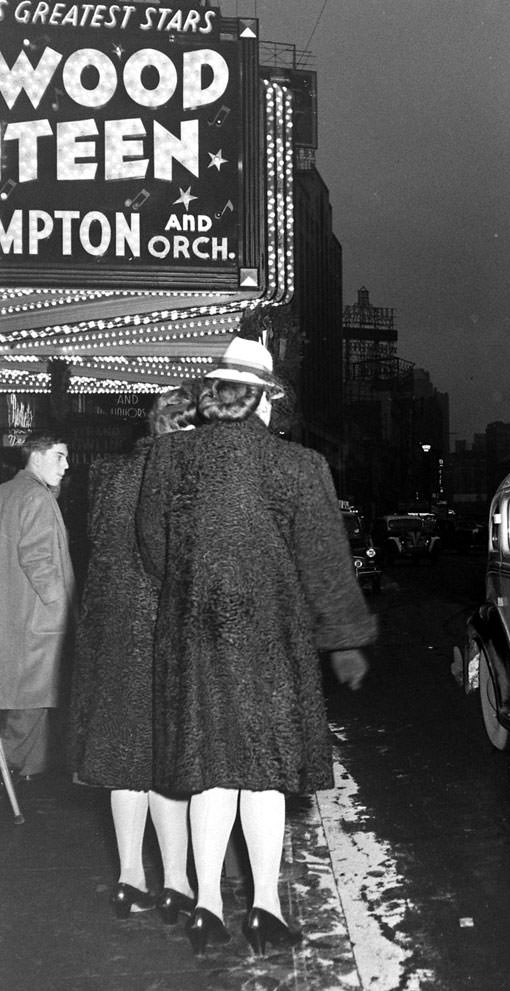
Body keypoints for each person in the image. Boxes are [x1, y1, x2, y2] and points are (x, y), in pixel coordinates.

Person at [136, 337, 377, 958]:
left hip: (194, 640)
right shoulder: (299, 467)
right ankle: (265, 908)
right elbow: (325, 563)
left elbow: (152, 550)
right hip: (271, 641)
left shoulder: (169, 459)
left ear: (212, 397)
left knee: (211, 772)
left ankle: (207, 906)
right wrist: (345, 641)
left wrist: (197, 587)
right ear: (265, 400)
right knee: (265, 777)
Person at [70, 387, 198, 922]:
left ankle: (128, 878)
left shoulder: (111, 476)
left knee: (127, 762)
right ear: (187, 430)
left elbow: (101, 547)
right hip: (164, 635)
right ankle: (176, 883)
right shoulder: (188, 481)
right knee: (169, 762)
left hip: (112, 635)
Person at [0, 431, 75, 783]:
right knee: (32, 698)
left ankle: (20, 770)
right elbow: (38, 558)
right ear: (38, 456)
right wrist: (62, 606)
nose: (66, 465)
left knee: (19, 695)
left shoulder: (8, 491)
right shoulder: (37, 497)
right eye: (59, 456)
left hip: (13, 611)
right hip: (38, 617)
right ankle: (18, 770)